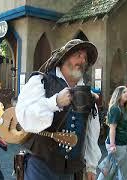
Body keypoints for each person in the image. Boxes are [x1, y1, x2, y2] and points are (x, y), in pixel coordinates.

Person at [15, 39, 102, 180]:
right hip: (40, 165)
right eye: (78, 55)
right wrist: (54, 102)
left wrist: (91, 165)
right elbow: (24, 116)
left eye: (85, 58)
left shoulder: (87, 93)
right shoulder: (41, 81)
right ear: (64, 58)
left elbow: (92, 131)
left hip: (71, 170)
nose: (82, 60)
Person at [101, 86, 127, 180]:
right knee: (109, 171)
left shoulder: (125, 108)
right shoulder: (115, 109)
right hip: (117, 145)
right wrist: (112, 145)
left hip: (125, 143)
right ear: (118, 94)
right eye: (124, 92)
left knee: (124, 171)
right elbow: (112, 128)